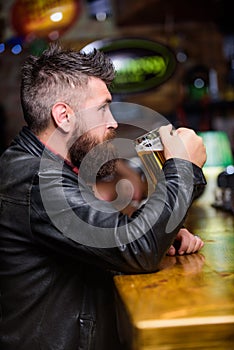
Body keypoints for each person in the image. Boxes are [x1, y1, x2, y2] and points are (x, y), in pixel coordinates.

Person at [0, 43, 207, 350]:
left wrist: (160, 233)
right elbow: (138, 248)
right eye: (102, 108)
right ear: (63, 116)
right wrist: (183, 167)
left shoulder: (51, 169)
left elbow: (112, 238)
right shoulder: (37, 181)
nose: (112, 121)